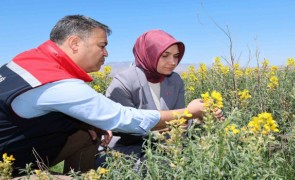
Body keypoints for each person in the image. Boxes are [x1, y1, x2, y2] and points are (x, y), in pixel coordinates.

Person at [0, 15, 205, 176]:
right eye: (102, 45)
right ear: (75, 43)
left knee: (87, 134)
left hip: (15, 150)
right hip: (6, 165)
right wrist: (188, 113)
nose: (106, 53)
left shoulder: (26, 61)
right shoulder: (57, 83)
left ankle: (81, 174)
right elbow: (125, 119)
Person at [99, 30, 187, 161]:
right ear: (148, 54)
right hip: (126, 152)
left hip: (168, 147)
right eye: (165, 55)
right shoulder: (124, 81)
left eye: (176, 56)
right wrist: (187, 114)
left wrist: (199, 118)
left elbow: (181, 119)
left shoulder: (175, 80)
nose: (173, 62)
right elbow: (129, 126)